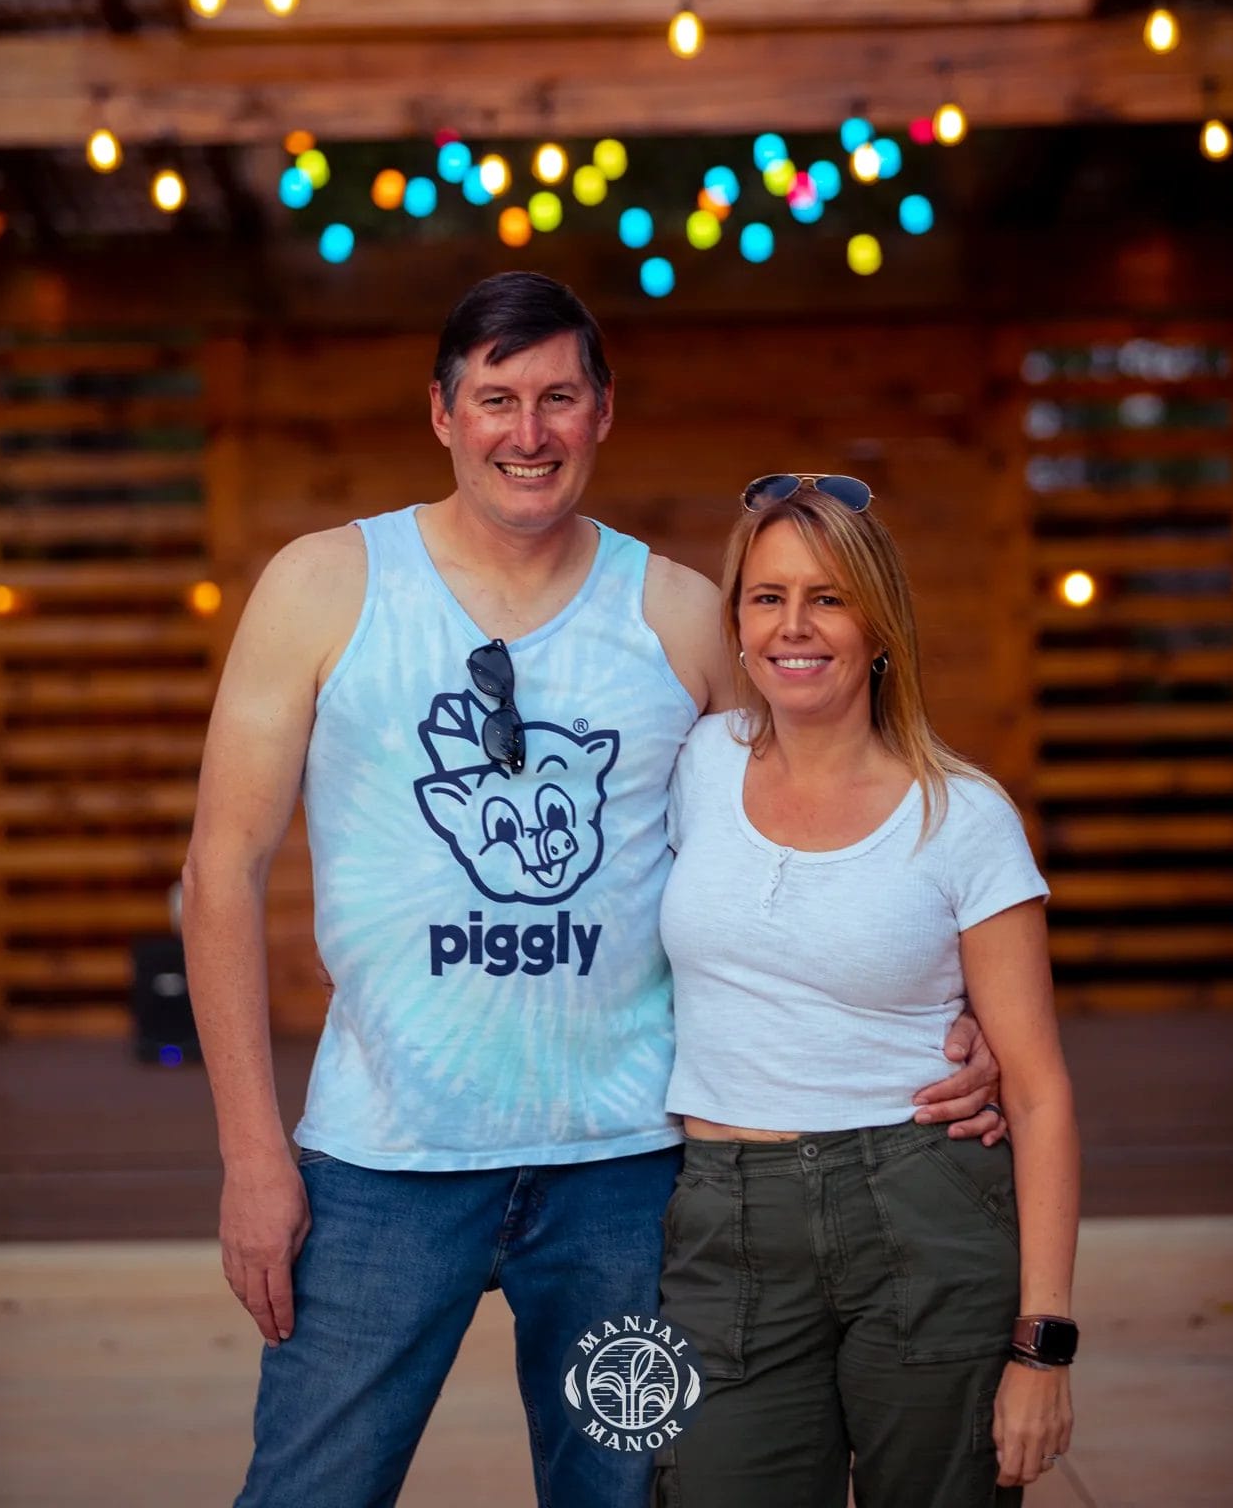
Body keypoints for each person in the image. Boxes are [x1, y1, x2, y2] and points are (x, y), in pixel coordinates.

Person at [182, 276, 1008, 1508]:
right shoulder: (325, 585)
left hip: (626, 1178)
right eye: (497, 398)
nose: (529, 431)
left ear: (602, 412)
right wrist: (253, 1157)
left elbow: (804, 832)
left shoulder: (677, 614)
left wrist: (955, 1012)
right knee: (307, 1491)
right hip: (378, 1162)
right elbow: (218, 876)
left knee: (625, 1500)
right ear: (442, 414)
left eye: (558, 397)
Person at [657, 473, 1080, 1508]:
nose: (794, 626)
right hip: (724, 1214)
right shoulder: (694, 765)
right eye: (767, 597)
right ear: (738, 621)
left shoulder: (962, 817)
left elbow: (1035, 1094)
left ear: (878, 622)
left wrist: (1042, 1348)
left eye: (828, 597)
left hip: (920, 1205)